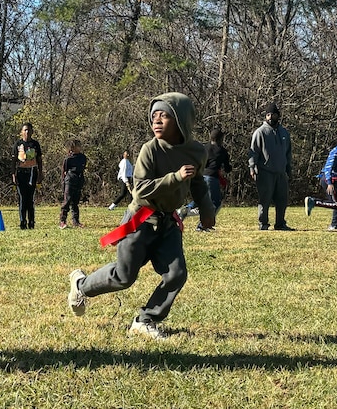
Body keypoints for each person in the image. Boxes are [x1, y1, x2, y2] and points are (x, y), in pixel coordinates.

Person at [67, 92, 214, 340]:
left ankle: (146, 320)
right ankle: (81, 285)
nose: (156, 121)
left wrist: (207, 211)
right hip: (141, 220)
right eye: (153, 116)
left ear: (181, 120)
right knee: (124, 277)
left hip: (168, 222)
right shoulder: (150, 150)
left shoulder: (197, 151)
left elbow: (197, 182)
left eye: (164, 116)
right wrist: (175, 177)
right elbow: (141, 188)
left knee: (176, 274)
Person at [248, 102, 294, 231]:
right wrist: (252, 167)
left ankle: (280, 223)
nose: (269, 117)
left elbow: (288, 152)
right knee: (265, 199)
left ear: (277, 116)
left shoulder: (284, 133)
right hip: (265, 172)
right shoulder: (260, 132)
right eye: (268, 115)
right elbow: (253, 151)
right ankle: (263, 223)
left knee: (282, 199)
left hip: (281, 172)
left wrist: (288, 168)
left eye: (272, 115)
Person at [178, 127, 232, 230]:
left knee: (201, 198)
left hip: (201, 176)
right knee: (215, 202)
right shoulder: (222, 151)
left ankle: (186, 209)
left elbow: (200, 162)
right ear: (220, 139)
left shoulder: (204, 148)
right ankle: (203, 225)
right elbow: (227, 167)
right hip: (212, 178)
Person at [305, 130, 337, 231]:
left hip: (336, 181)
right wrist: (330, 183)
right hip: (329, 180)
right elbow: (328, 168)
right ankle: (313, 201)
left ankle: (334, 225)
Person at [12, 122, 43, 229]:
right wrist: (13, 174)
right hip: (21, 173)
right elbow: (14, 160)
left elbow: (39, 160)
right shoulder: (18, 144)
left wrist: (40, 173)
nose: (27, 132)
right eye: (25, 130)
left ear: (32, 131)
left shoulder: (35, 144)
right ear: (21, 132)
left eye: (29, 130)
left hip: (32, 173)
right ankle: (22, 221)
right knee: (22, 198)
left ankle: (31, 221)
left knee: (30, 198)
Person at [59, 139, 87, 229]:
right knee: (67, 200)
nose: (80, 147)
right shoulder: (68, 159)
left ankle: (76, 221)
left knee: (75, 202)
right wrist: (64, 182)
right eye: (78, 145)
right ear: (73, 147)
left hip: (79, 179)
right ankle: (62, 221)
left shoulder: (83, 157)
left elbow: (83, 167)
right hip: (70, 179)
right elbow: (64, 171)